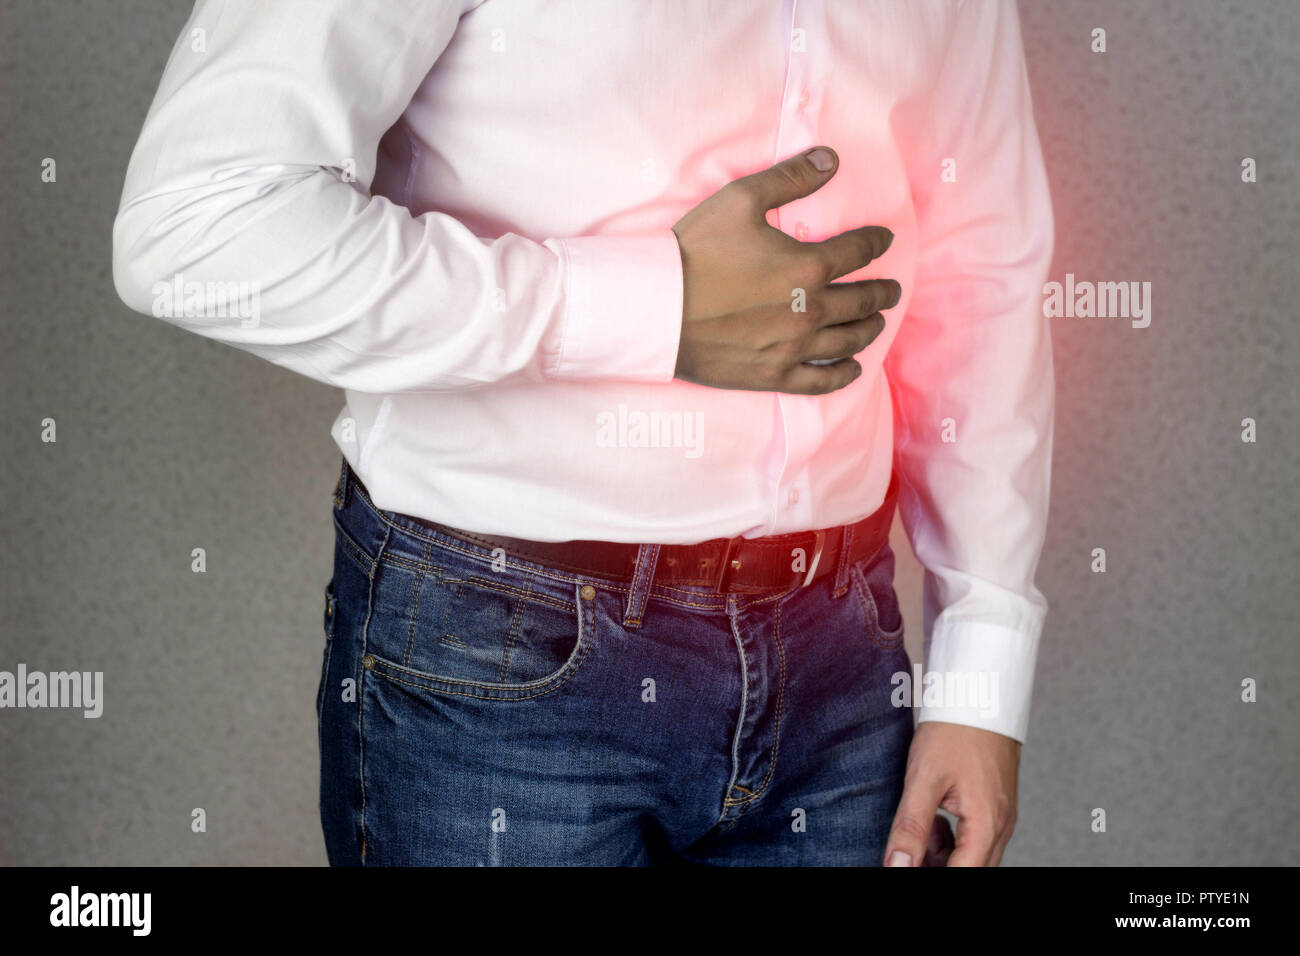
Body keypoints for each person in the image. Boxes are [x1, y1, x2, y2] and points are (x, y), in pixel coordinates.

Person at [112, 0, 1053, 866]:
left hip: (844, 674)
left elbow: (982, 250)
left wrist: (982, 666)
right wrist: (651, 308)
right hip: (493, 665)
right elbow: (197, 223)